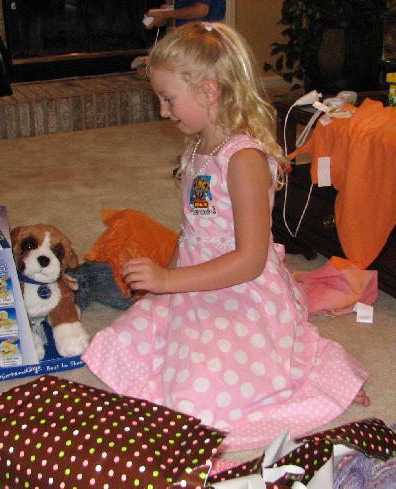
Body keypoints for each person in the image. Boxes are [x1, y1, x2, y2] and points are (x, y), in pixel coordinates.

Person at [82, 22, 370, 451]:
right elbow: (192, 229)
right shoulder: (197, 149)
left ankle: (327, 375)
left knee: (199, 403)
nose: (163, 111)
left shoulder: (244, 159)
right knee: (121, 343)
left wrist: (169, 281)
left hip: (241, 294)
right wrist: (164, 281)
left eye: (168, 98)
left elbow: (250, 260)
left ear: (209, 91)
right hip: (194, 282)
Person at [146, 1, 226, 28]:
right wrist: (172, 8)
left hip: (201, 37)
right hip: (194, 36)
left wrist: (164, 14)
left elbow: (201, 10)